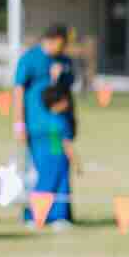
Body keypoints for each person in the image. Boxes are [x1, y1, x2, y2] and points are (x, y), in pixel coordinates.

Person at [10, 25, 77, 214]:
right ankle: (35, 214)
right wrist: (19, 123)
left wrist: (59, 77)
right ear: (53, 39)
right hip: (37, 126)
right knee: (40, 169)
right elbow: (18, 91)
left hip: (57, 127)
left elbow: (69, 89)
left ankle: (59, 214)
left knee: (59, 164)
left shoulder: (64, 61)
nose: (64, 49)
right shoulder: (29, 59)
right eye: (63, 44)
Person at [21, 83, 79, 229]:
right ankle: (55, 217)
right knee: (59, 188)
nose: (67, 103)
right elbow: (66, 144)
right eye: (64, 100)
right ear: (57, 103)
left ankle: (34, 217)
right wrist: (76, 162)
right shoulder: (61, 122)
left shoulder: (40, 121)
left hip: (41, 159)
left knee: (42, 187)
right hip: (58, 160)